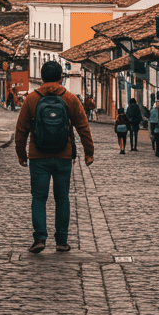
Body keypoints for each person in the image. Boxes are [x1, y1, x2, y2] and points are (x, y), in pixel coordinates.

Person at [16, 60, 94, 253]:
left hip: (38, 156)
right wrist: (88, 152)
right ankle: (61, 241)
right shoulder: (70, 98)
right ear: (61, 77)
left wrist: (21, 154)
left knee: (39, 198)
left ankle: (40, 237)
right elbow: (83, 127)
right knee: (62, 198)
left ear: (41, 77)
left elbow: (21, 131)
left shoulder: (31, 99)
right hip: (63, 156)